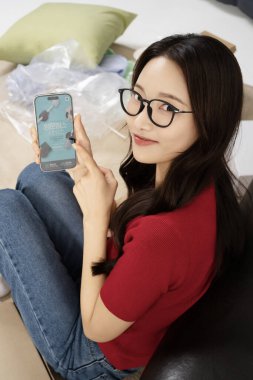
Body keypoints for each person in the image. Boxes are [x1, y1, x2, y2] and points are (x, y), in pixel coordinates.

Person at [0, 33, 245, 380]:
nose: (141, 121)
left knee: (5, 208)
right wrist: (86, 173)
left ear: (210, 118)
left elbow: (97, 329)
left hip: (92, 352)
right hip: (121, 279)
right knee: (38, 176)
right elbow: (137, 238)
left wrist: (97, 218)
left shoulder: (165, 237)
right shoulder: (199, 177)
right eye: (140, 98)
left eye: (167, 107)